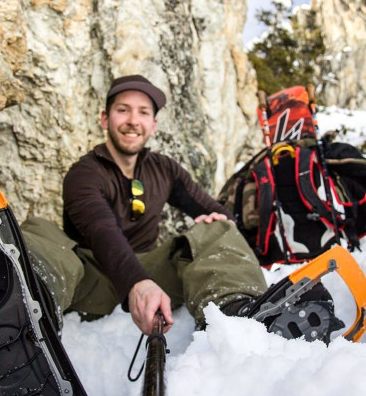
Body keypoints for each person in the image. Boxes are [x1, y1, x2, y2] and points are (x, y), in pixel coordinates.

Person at [21, 74, 269, 335]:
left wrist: (216, 223)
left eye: (143, 112)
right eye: (122, 110)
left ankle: (234, 313)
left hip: (153, 279)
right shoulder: (84, 173)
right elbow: (102, 231)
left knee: (217, 229)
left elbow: (215, 211)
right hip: (92, 281)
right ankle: (25, 309)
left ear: (153, 124)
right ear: (105, 119)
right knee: (39, 229)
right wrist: (136, 283)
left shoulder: (164, 169)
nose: (133, 121)